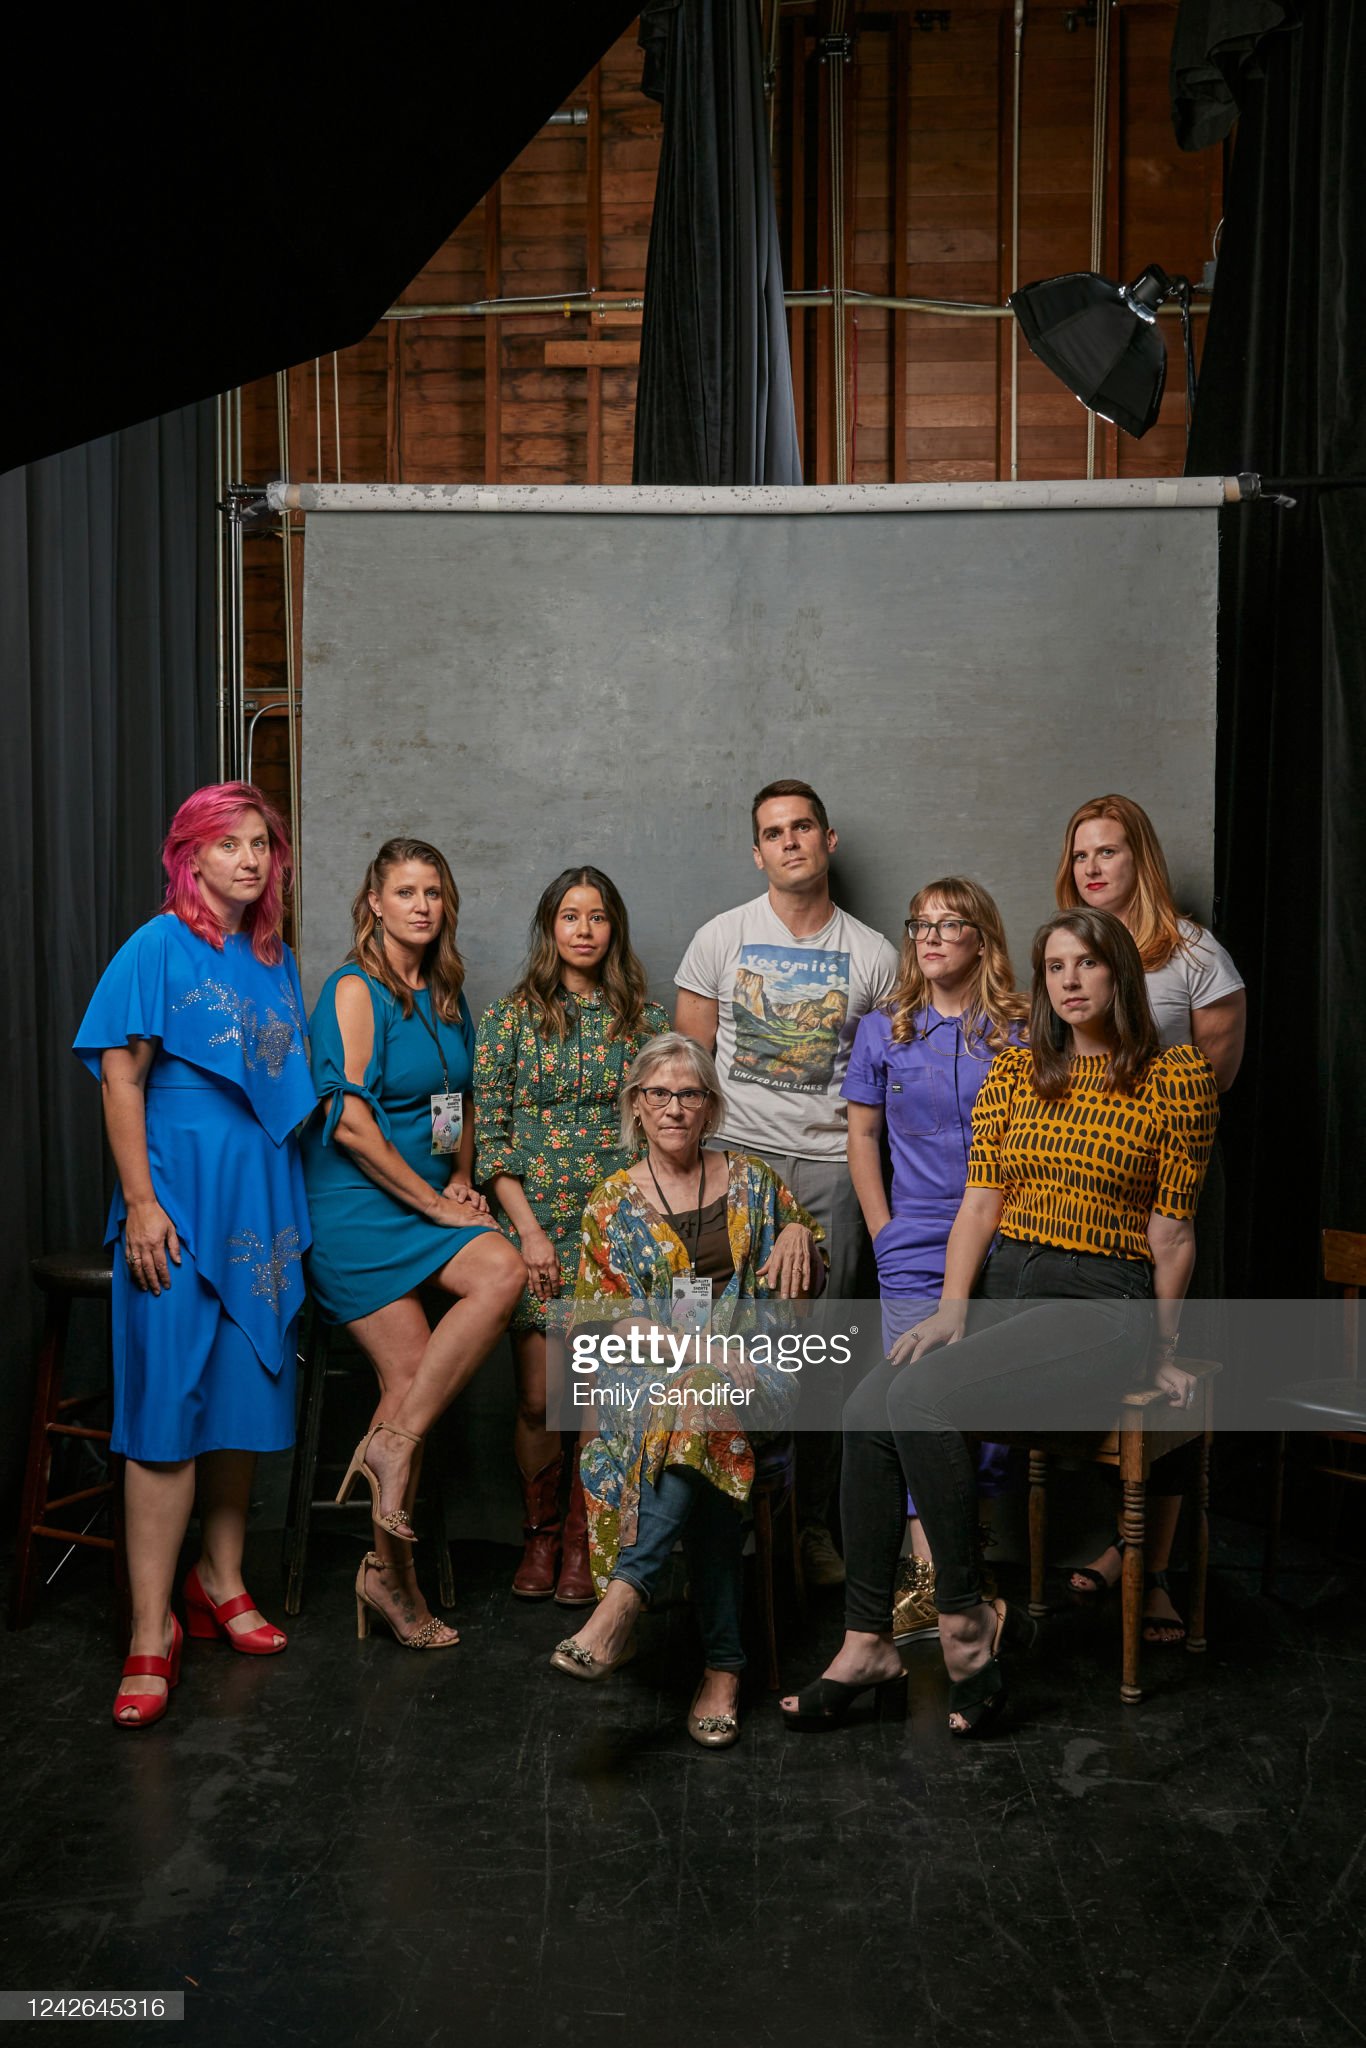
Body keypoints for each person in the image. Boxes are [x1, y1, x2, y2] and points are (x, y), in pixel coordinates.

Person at [781, 908, 1218, 1737]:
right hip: (1008, 1292)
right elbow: (981, 1203)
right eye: (1055, 967)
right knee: (865, 1408)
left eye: (1087, 964)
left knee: (918, 1402)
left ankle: (966, 1624)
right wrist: (953, 1311)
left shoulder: (1175, 1078)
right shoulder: (1019, 1071)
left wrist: (1163, 1349)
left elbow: (1173, 1232)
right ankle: (866, 1639)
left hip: (1103, 1304)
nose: (1070, 981)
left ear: (1118, 972)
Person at [74, 783, 317, 1728]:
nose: (250, 860)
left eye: (262, 844)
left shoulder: (276, 958)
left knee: (244, 1396)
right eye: (230, 844)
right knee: (166, 1410)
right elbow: (120, 1079)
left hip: (255, 1198)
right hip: (175, 1198)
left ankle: (221, 1578)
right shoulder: (154, 946)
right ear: (192, 856)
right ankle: (149, 1628)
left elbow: (283, 1091)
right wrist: (139, 1202)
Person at [548, 1034, 823, 1748]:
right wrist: (701, 1353)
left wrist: (798, 1233)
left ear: (711, 1107)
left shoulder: (756, 1182)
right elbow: (606, 1323)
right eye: (659, 1094)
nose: (675, 1108)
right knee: (701, 1417)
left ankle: (621, 1604)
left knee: (703, 1410)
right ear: (636, 1107)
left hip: (757, 1372)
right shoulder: (610, 1205)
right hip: (652, 1384)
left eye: (690, 1094)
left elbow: (808, 1272)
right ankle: (724, 1669)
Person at [674, 778, 898, 1586]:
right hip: (737, 1164)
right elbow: (689, 1079)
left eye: (803, 827)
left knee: (824, 1353)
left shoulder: (874, 956)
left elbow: (884, 1086)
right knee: (730, 1345)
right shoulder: (721, 939)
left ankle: (809, 1529)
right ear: (757, 850)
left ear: (828, 840)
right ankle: (726, 1525)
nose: (790, 841)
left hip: (836, 1170)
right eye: (774, 832)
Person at [301, 838, 524, 1650]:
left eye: (434, 892)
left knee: (501, 1271)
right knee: (406, 1372)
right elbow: (351, 1123)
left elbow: (451, 1100)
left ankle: (392, 1448)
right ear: (375, 905)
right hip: (357, 1206)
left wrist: (462, 1176)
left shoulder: (446, 992)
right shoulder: (353, 990)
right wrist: (435, 1202)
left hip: (425, 1201)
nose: (422, 905)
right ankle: (393, 1582)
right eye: (405, 892)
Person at [1056, 793, 1245, 1638]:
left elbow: (1215, 1078)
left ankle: (1155, 1570)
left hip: (1166, 1186)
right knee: (1103, 1370)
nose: (1094, 868)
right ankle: (1114, 1544)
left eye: (1110, 852)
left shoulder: (1196, 955)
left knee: (1169, 1379)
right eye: (1082, 855)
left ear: (1142, 860)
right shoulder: (1076, 950)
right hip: (1089, 1196)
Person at [474, 866, 668, 1605]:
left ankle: (589, 1544)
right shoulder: (508, 1020)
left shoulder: (646, 1023)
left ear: (613, 927)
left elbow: (664, 1132)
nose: (583, 929)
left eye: (597, 916)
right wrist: (528, 1234)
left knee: (595, 1399)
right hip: (535, 1226)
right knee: (537, 1397)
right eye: (569, 916)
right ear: (550, 928)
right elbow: (489, 1137)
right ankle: (541, 1536)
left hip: (616, 1225)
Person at [842, 878, 1028, 1641]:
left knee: (993, 1402)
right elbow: (861, 1138)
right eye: (921, 924)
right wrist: (884, 1230)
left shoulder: (1022, 1027)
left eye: (951, 925)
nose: (932, 937)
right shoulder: (883, 1030)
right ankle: (933, 1579)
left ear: (982, 938)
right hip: (916, 1238)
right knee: (916, 1398)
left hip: (1006, 1233)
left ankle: (963, 1565)